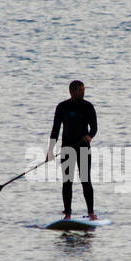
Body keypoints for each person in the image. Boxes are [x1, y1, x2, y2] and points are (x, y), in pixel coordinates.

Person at [47, 80, 98, 221]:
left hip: (83, 147)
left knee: (85, 179)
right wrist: (50, 150)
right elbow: (55, 131)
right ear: (72, 91)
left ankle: (91, 212)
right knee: (67, 181)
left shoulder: (88, 107)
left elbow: (94, 127)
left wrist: (90, 136)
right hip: (67, 148)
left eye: (83, 89)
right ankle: (68, 213)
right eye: (80, 90)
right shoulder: (62, 107)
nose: (83, 92)